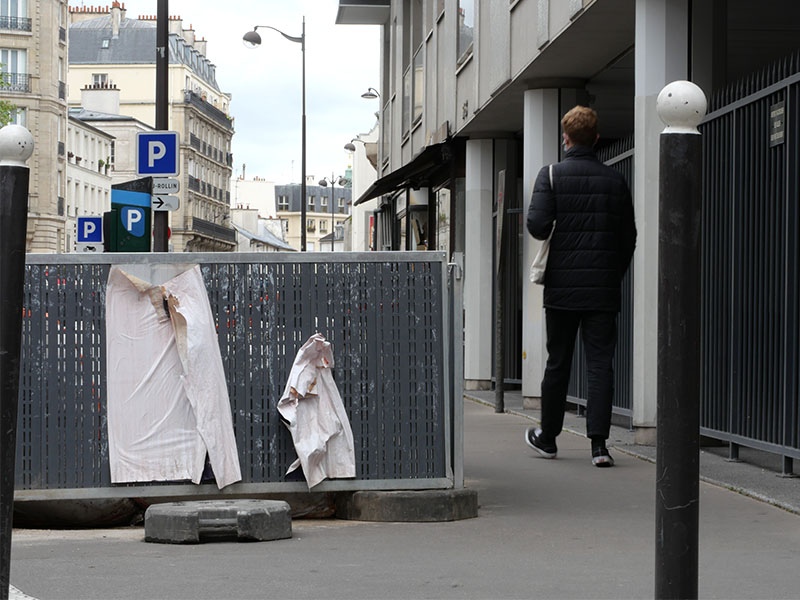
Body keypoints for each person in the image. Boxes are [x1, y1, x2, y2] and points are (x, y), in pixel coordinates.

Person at [525, 106, 636, 467]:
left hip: (561, 290)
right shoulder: (615, 180)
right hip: (603, 290)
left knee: (558, 362)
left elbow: (538, 227)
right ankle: (599, 447)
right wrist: (612, 273)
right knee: (600, 365)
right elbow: (628, 237)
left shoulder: (552, 175)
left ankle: (548, 438)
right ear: (597, 138)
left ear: (566, 138)